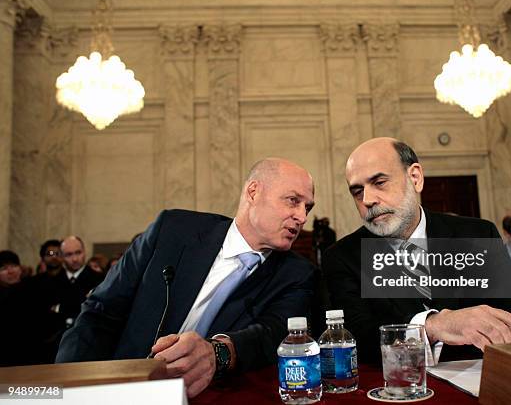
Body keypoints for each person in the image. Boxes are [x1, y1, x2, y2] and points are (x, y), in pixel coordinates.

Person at [56, 158, 316, 398]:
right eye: (293, 201)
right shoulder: (172, 230)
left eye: (308, 207)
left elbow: (270, 335)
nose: (302, 217)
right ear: (253, 192)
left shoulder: (298, 274)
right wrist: (66, 387)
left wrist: (218, 353)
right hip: (116, 388)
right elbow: (100, 312)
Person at [323, 138, 511, 365]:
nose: (368, 200)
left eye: (380, 182)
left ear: (415, 178)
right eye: (357, 191)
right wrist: (432, 326)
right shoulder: (343, 257)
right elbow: (356, 342)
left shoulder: (477, 235)